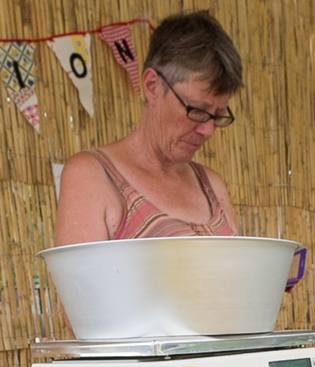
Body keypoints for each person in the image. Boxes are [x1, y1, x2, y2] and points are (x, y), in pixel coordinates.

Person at [55, 12, 242, 245]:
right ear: (152, 86)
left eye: (217, 115)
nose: (208, 130)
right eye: (197, 110)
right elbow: (77, 281)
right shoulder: (93, 175)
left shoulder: (212, 186)